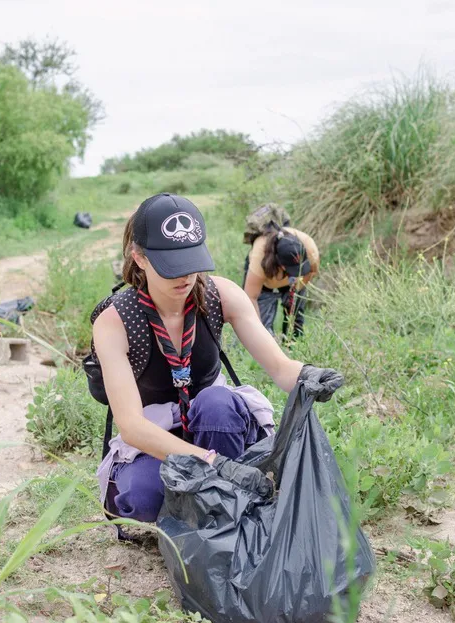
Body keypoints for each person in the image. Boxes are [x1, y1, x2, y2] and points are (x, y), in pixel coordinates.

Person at [92, 193, 342, 523]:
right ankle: (210, 499)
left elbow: (280, 367)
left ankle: (225, 503)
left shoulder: (220, 294)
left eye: (192, 263)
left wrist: (308, 375)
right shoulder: (115, 321)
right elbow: (133, 427)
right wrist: (214, 463)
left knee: (217, 402)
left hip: (214, 423)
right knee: (143, 500)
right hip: (155, 436)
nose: (185, 277)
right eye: (172, 267)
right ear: (140, 258)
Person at [242, 204, 320, 339]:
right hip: (265, 283)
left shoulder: (309, 246)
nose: (298, 272)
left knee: (295, 322)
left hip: (292, 283)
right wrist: (258, 329)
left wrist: (297, 288)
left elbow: (311, 272)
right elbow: (251, 297)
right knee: (261, 331)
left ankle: (292, 346)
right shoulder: (260, 256)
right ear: (281, 264)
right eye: (293, 270)